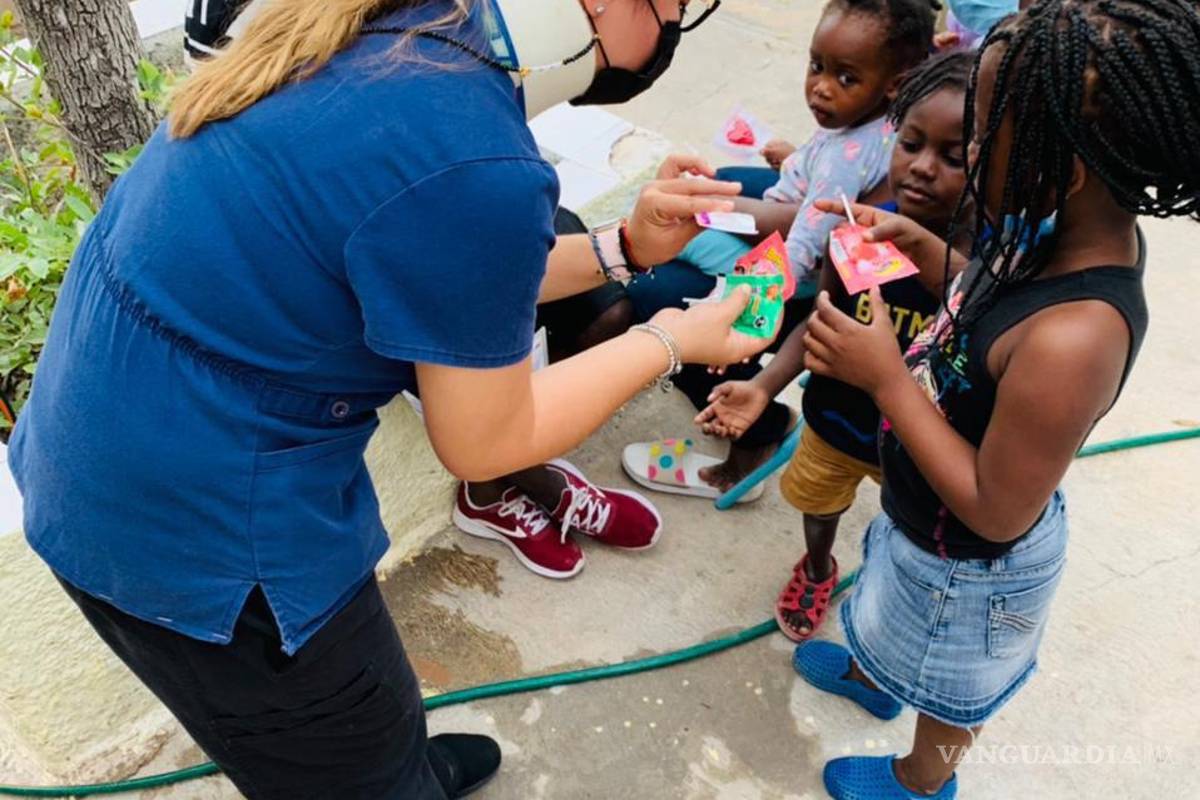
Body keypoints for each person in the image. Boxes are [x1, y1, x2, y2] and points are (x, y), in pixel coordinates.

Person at [6, 1, 769, 798]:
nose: (675, 29)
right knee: (344, 746)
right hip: (206, 536)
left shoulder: (404, 28)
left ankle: (391, 766)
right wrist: (675, 339)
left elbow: (440, 273)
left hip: (101, 460)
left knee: (322, 726)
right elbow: (488, 441)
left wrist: (626, 249)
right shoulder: (474, 154)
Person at [790, 1, 1200, 796]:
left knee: (950, 683)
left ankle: (920, 779)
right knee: (890, 610)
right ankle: (880, 675)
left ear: (1063, 167)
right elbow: (988, 305)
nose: (968, 152)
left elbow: (997, 508)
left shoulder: (1074, 340)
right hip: (921, 522)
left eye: (981, 138)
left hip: (968, 569)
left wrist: (884, 377)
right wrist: (932, 253)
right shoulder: (1048, 224)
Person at [697, 50, 975, 641]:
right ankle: (819, 566)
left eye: (952, 157)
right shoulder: (858, 226)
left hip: (923, 447)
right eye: (910, 144)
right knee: (818, 504)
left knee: (911, 536)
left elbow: (989, 336)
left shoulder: (987, 263)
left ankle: (889, 584)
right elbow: (822, 318)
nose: (922, 168)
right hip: (836, 423)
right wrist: (762, 385)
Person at [621, 0, 937, 496]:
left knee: (660, 283)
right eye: (817, 66)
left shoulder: (848, 156)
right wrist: (797, 159)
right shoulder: (880, 123)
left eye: (845, 78)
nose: (820, 87)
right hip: (803, 217)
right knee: (715, 188)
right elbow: (842, 173)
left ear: (894, 82)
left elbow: (811, 234)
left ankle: (748, 454)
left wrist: (751, 305)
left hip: (805, 267)